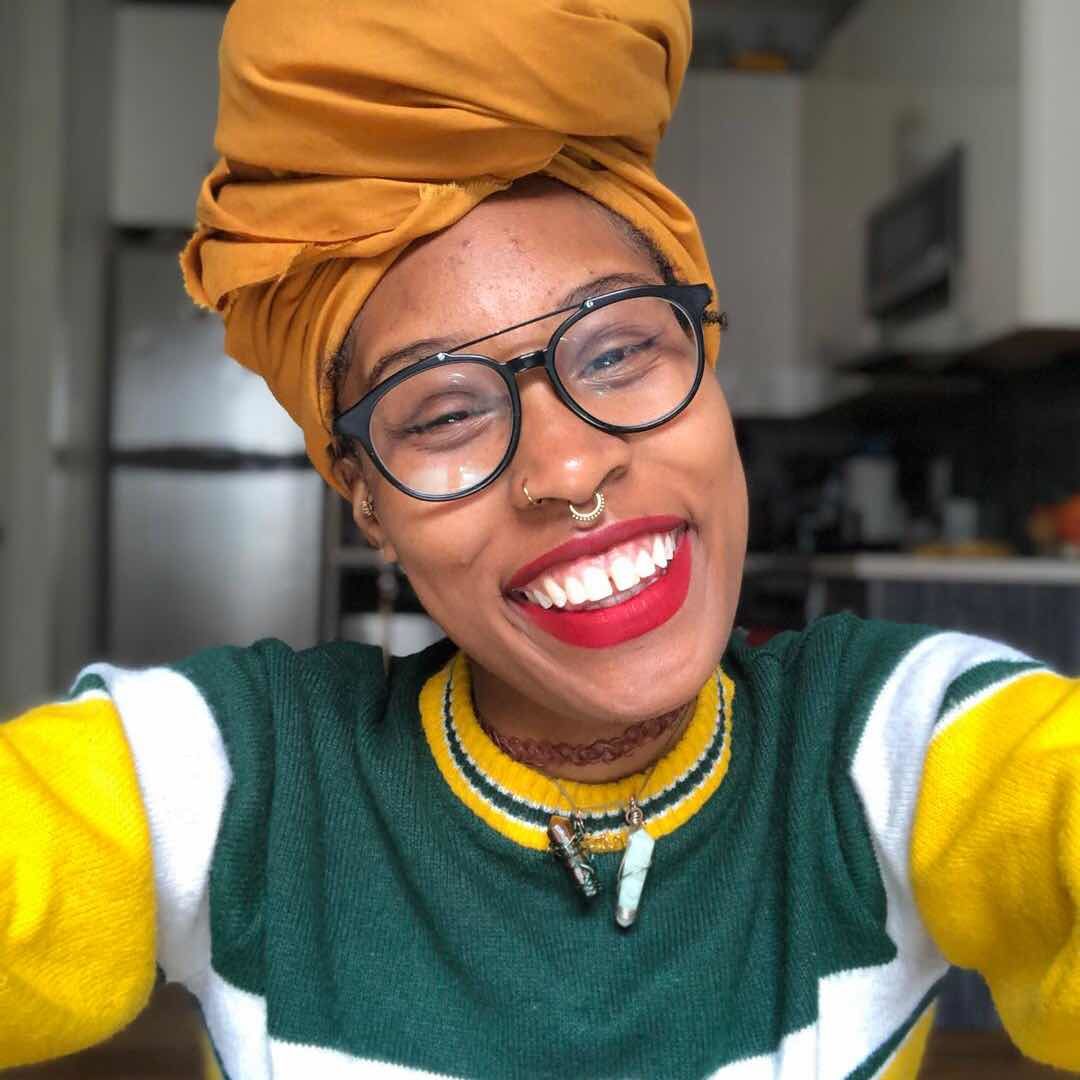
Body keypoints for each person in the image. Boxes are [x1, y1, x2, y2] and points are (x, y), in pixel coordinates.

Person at [1, 1, 1078, 1077]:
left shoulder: (886, 749)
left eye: (616, 353)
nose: (567, 468)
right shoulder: (243, 782)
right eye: (443, 412)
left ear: (705, 356)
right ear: (365, 499)